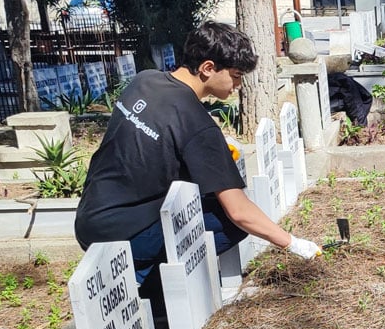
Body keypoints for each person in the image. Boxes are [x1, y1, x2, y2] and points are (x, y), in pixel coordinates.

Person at [75, 21, 321, 290]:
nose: (238, 85)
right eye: (237, 75)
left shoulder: (145, 80)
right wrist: (292, 243)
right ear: (207, 68)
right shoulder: (198, 124)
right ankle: (151, 281)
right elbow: (239, 212)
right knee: (229, 223)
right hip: (124, 238)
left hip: (89, 219)